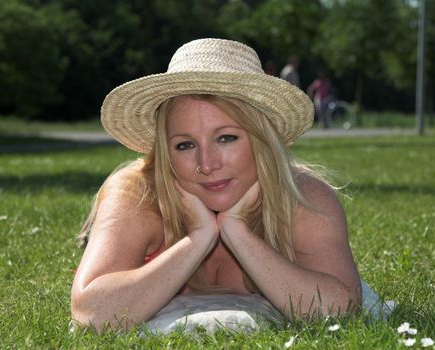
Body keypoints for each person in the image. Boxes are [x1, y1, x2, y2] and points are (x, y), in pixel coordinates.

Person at [71, 38, 363, 333]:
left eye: (226, 138)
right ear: (164, 153)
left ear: (262, 141)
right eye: (185, 145)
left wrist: (239, 233)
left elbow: (342, 310)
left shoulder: (304, 197)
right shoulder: (139, 195)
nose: (207, 165)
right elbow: (92, 314)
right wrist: (197, 238)